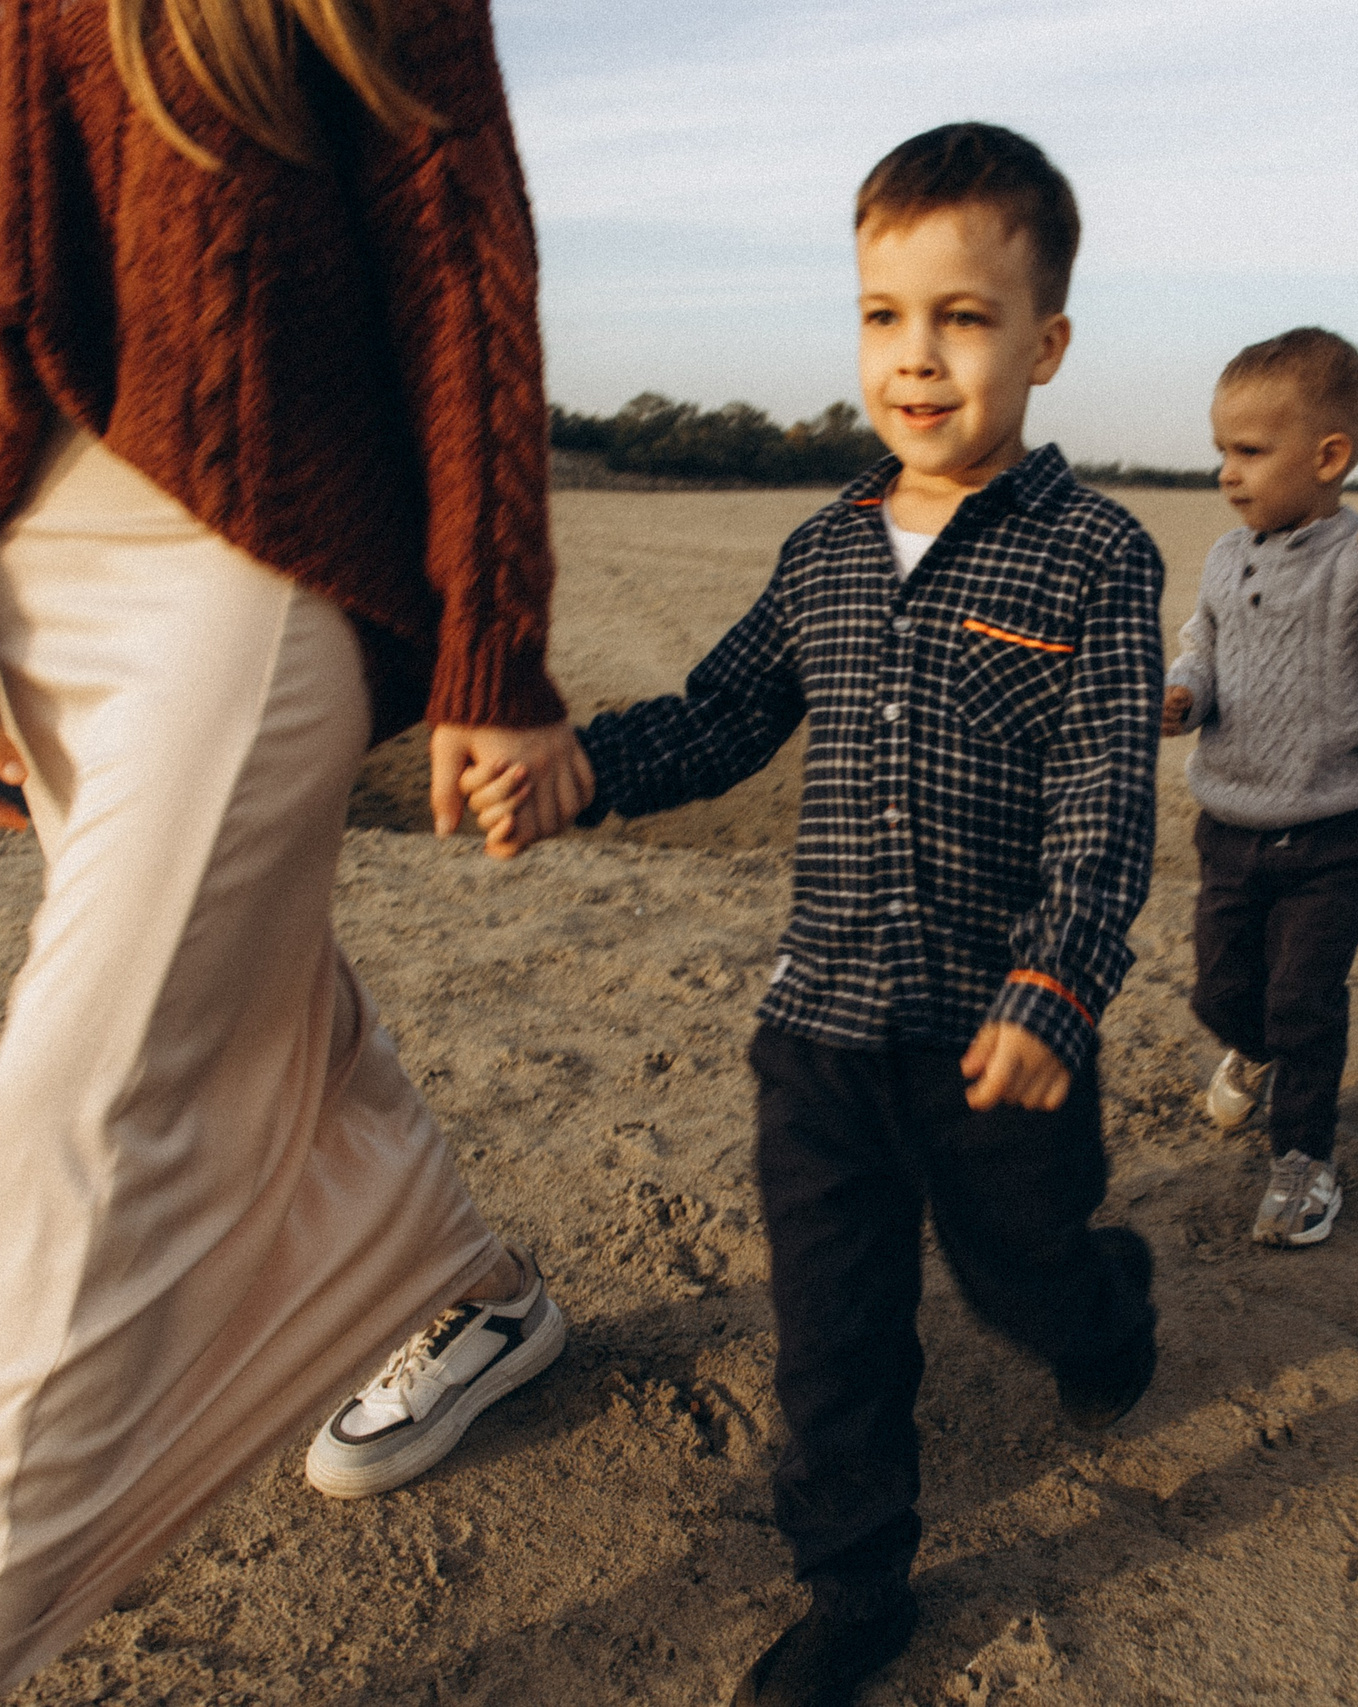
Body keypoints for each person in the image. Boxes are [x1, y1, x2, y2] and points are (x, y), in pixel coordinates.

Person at [0, 0, 591, 1695]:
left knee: (84, 1092)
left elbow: (460, 255)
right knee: (243, 983)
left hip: (254, 565)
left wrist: (492, 649)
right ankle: (473, 1287)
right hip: (16, 575)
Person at [484, 123, 1163, 1707]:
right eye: (883, 314)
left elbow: (1107, 801)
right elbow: (721, 717)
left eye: (963, 317)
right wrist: (578, 768)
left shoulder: (1094, 557)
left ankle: (1104, 1300)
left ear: (1045, 342)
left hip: (1001, 1038)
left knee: (1022, 1274)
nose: (916, 358)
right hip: (826, 1031)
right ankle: (857, 1586)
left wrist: (1060, 979)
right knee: (833, 1330)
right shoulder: (826, 551)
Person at [1161, 328, 1358, 1247]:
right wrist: (1186, 693)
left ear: (1329, 456)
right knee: (1225, 994)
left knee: (1305, 998)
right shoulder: (1228, 556)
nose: (1228, 472)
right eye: (1222, 450)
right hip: (1228, 824)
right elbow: (1203, 645)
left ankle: (1303, 1163)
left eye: (1250, 451)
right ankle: (1249, 1042)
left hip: (1335, 831)